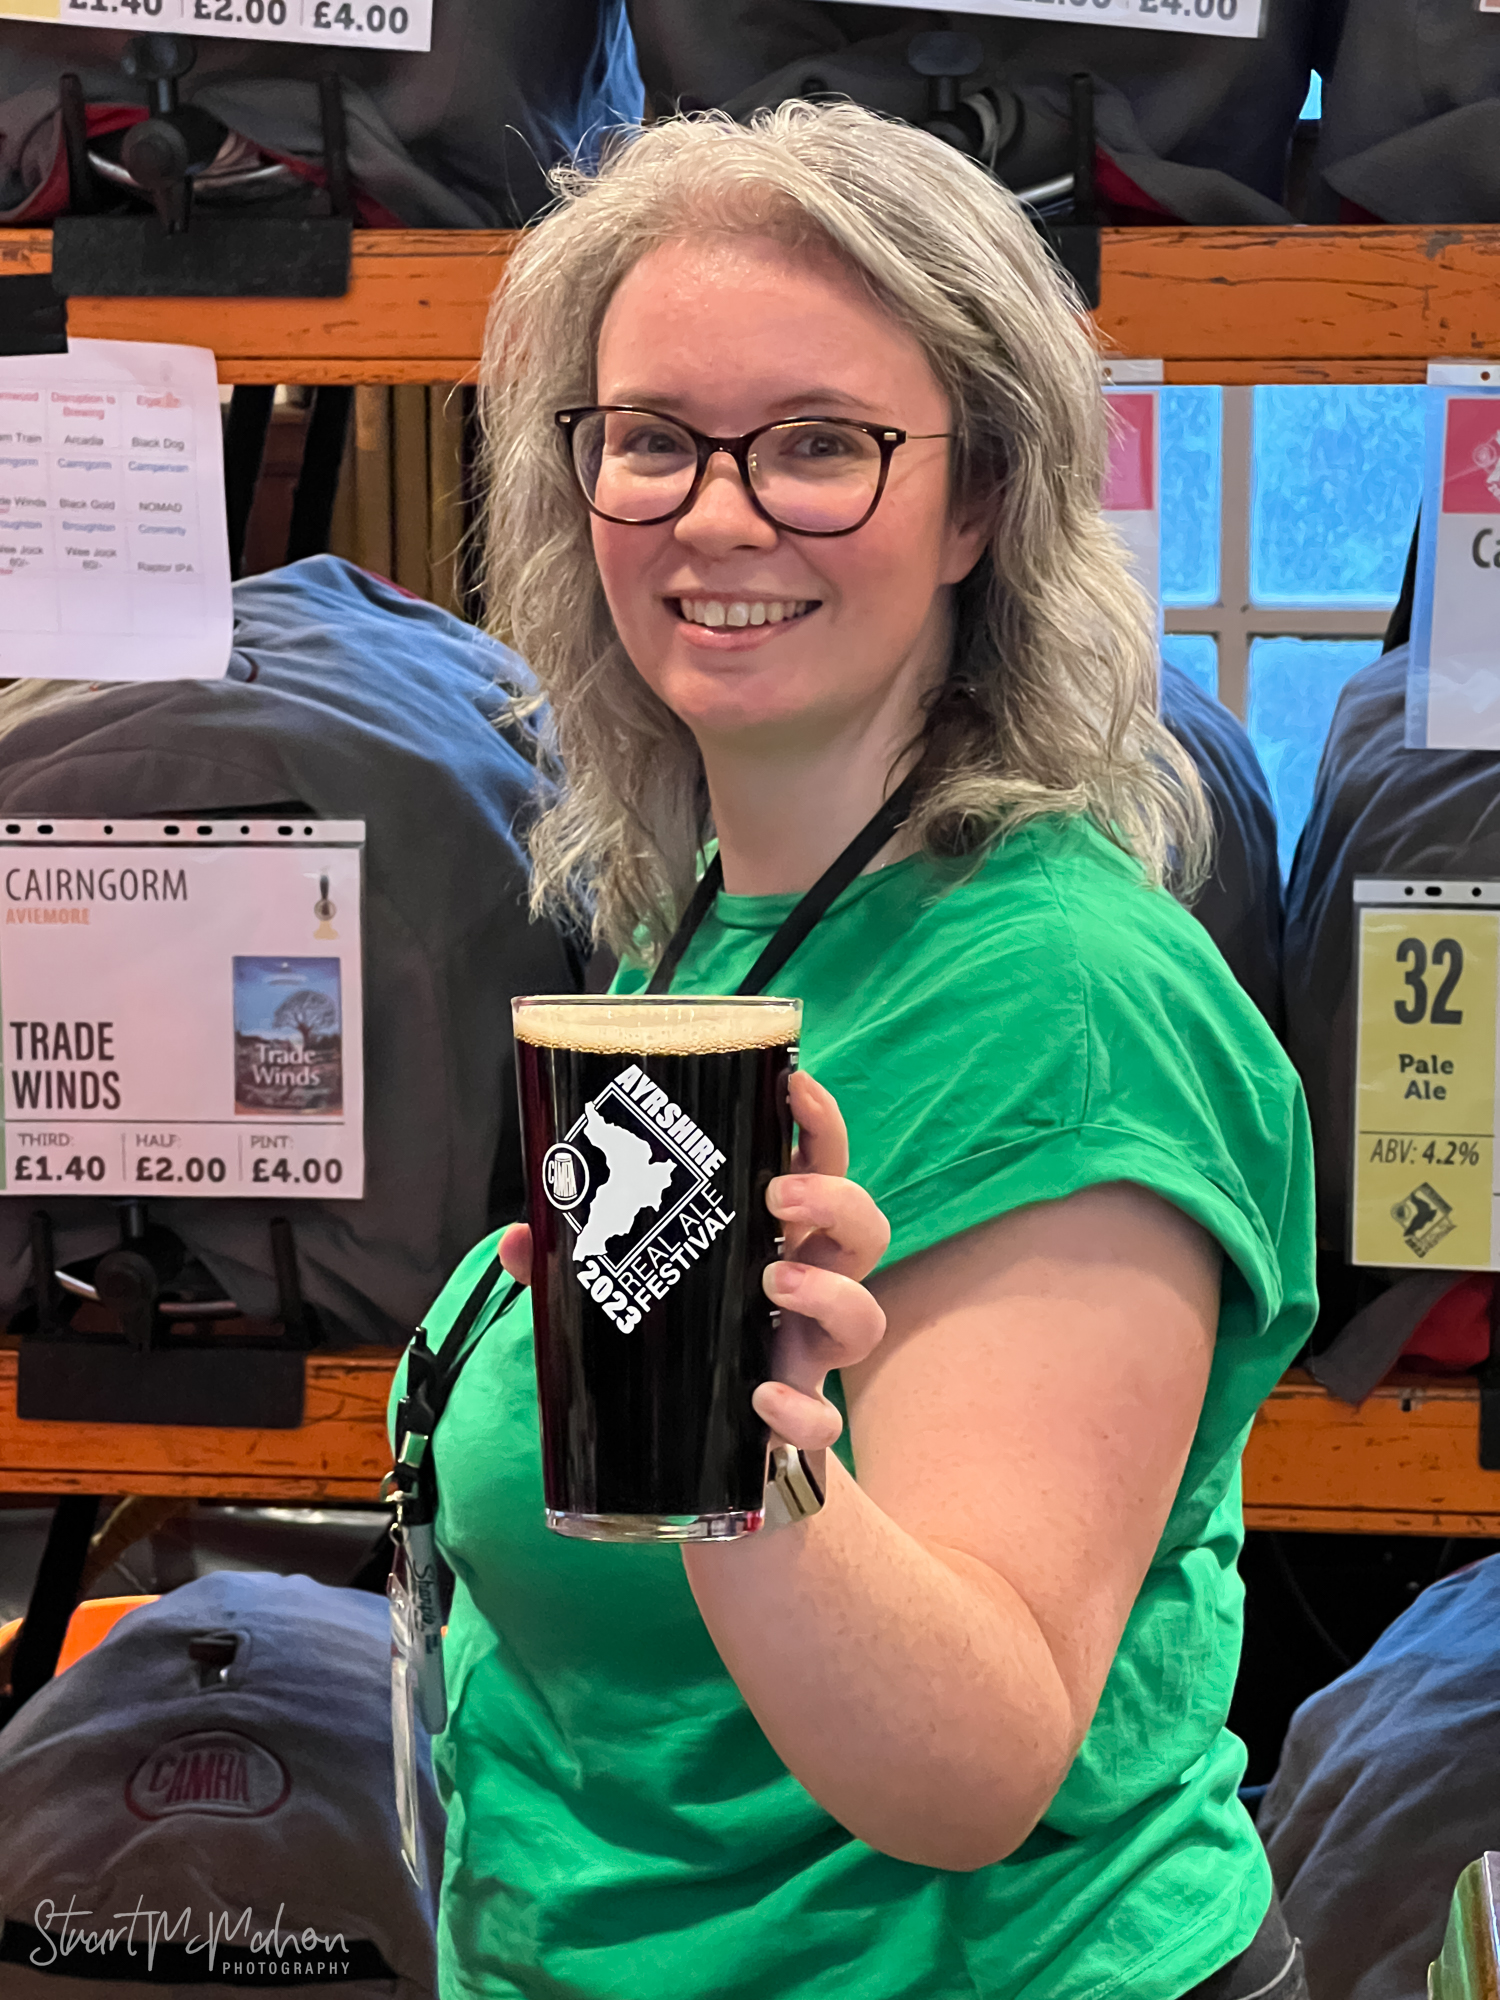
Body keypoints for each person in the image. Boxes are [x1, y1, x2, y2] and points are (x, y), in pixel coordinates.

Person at [409, 102, 1317, 2000]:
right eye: (652, 438)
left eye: (821, 443)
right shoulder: (701, 931)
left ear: (979, 502)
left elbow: (973, 1770)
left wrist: (737, 1445)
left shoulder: (1072, 1003)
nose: (716, 513)